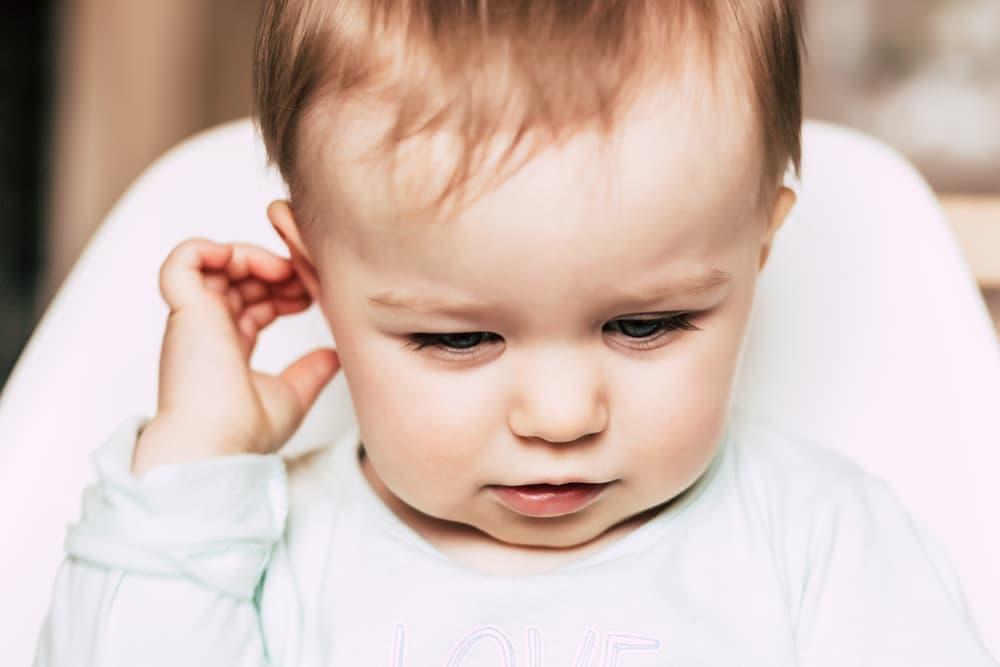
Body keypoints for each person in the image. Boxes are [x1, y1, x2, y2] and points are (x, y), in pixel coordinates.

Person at [34, 1, 998, 665]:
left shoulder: (820, 540)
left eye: (646, 323)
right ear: (317, 279)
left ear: (757, 252)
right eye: (458, 340)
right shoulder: (257, 548)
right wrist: (193, 465)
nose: (561, 415)